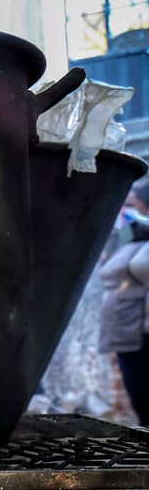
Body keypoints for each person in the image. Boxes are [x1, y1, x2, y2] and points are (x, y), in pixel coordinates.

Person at [98, 178, 149, 424]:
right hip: (130, 330)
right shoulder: (136, 232)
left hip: (139, 330)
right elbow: (108, 268)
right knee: (141, 400)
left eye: (135, 201)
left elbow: (140, 268)